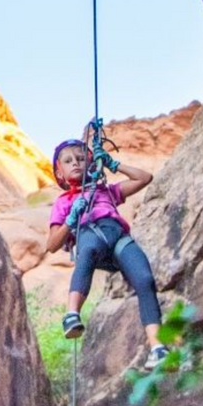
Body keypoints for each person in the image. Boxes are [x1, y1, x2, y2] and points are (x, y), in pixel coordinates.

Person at [46, 137, 169, 370]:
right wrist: (71, 220)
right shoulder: (63, 202)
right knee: (89, 248)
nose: (76, 163)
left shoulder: (107, 192)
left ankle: (157, 347)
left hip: (118, 239)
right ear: (59, 172)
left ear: (91, 164)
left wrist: (113, 165)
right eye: (68, 161)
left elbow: (144, 178)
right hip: (90, 238)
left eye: (82, 159)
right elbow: (51, 244)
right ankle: (71, 314)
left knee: (144, 279)